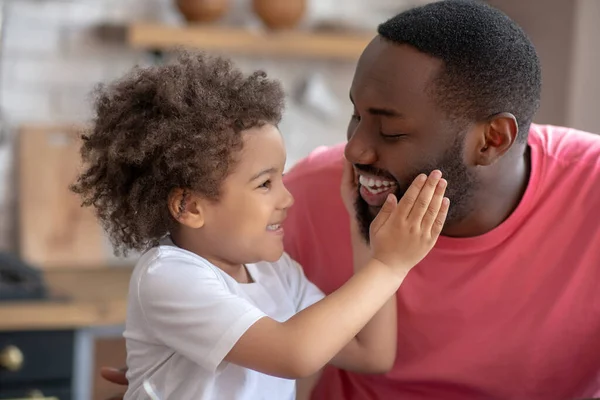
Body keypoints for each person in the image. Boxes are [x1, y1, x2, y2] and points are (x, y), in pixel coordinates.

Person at [101, 0, 600, 399]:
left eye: (389, 129)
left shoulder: (590, 189)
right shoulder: (310, 197)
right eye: (356, 116)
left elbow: (368, 350)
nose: (356, 148)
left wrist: (372, 244)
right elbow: (285, 348)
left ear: (492, 140)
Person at [72, 51, 450, 400]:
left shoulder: (275, 272)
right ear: (189, 206)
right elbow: (293, 354)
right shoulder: (168, 276)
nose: (287, 198)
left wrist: (361, 226)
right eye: (265, 183)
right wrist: (390, 265)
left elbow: (372, 353)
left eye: (282, 178)